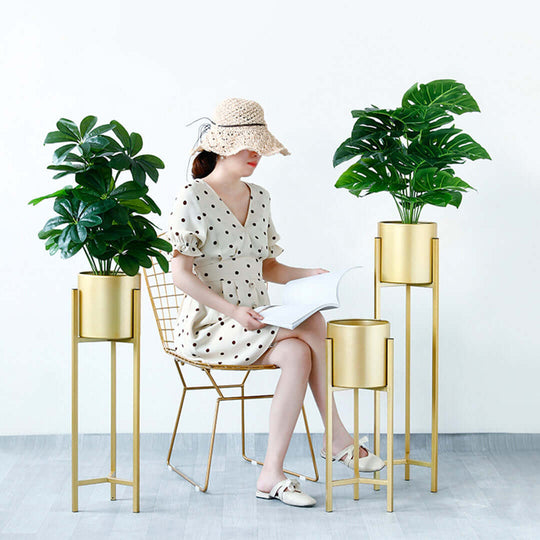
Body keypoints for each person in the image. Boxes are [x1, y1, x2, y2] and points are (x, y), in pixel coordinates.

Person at [167, 97, 385, 508]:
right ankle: (337, 438)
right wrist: (233, 311)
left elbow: (267, 267)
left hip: (259, 320)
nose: (256, 154)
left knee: (300, 353)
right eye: (249, 145)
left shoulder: (260, 196)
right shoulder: (192, 195)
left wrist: (307, 274)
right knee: (312, 326)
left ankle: (271, 474)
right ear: (222, 145)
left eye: (260, 146)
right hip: (212, 325)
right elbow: (180, 274)